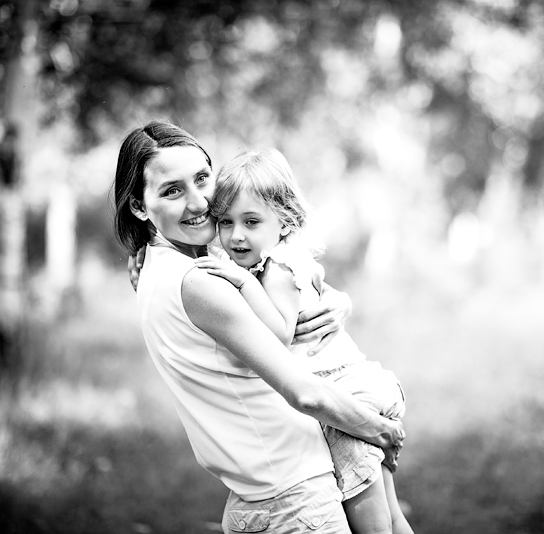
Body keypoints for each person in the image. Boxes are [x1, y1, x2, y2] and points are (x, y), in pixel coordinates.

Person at [112, 121, 405, 534]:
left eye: (202, 179)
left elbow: (287, 278)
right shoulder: (199, 281)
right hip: (292, 493)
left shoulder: (179, 264)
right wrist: (381, 431)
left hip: (276, 489)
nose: (198, 202)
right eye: (172, 190)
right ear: (139, 206)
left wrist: (337, 301)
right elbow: (303, 391)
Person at [194, 148, 413, 534]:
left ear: (284, 221)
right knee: (393, 516)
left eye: (251, 221)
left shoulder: (277, 270)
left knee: (373, 524)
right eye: (225, 222)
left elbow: (279, 334)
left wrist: (243, 283)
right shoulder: (274, 259)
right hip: (353, 388)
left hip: (344, 397)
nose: (236, 234)